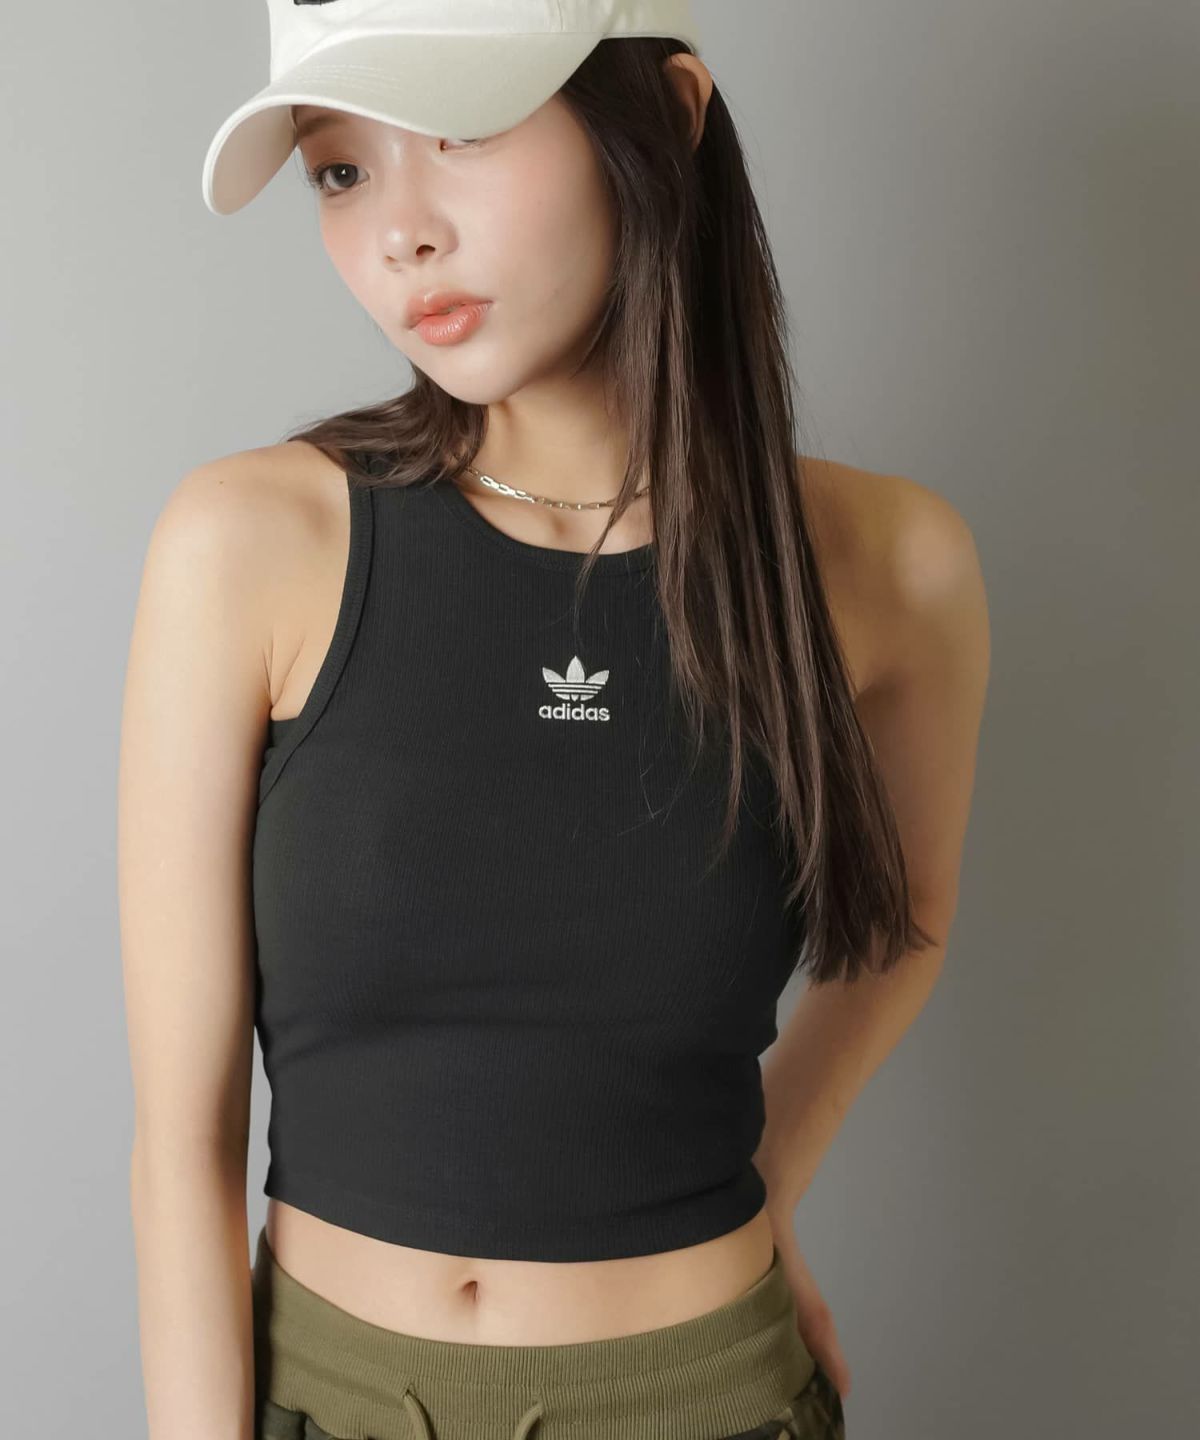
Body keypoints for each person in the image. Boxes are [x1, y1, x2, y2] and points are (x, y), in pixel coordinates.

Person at [118, 3, 990, 1438]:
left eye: (461, 133)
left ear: (671, 118)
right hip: (331, 1398)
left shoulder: (890, 565)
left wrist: (768, 1187)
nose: (401, 234)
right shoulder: (249, 543)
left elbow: (909, 925)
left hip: (711, 1398)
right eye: (341, 171)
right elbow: (181, 1144)